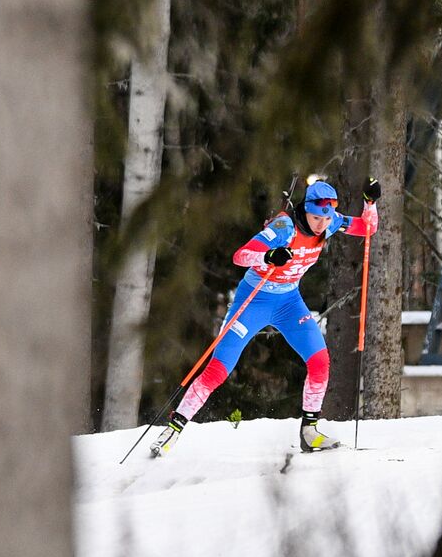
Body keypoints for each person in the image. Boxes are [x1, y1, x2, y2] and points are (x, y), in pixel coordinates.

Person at [151, 177, 382, 457]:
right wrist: (269, 256)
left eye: (326, 218)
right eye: (316, 217)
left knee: (320, 361)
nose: (322, 224)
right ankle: (173, 429)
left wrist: (370, 204)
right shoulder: (284, 227)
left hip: (289, 302)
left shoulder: (330, 222)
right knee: (218, 370)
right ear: (305, 209)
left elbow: (367, 228)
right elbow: (241, 256)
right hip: (254, 301)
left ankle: (310, 431)